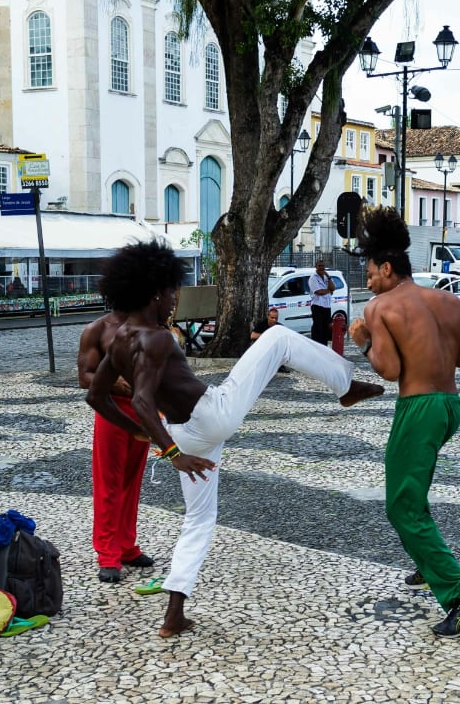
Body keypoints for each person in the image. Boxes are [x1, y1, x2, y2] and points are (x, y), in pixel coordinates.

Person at [85, 240, 383, 638]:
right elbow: (139, 398)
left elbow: (95, 395)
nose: (175, 299)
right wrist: (171, 454)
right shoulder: (156, 338)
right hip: (210, 416)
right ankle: (344, 384)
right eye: (173, 291)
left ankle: (174, 612)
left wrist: (144, 433)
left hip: (187, 433)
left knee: (199, 519)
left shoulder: (121, 338)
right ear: (155, 292)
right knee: (276, 339)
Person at [346, 207, 460, 639]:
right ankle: (427, 565)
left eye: (370, 272)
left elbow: (389, 371)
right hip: (450, 406)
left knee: (401, 505)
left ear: (387, 268)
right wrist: (433, 352)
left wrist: (364, 342)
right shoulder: (449, 301)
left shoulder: (380, 307)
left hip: (419, 408)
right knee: (415, 491)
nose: (368, 280)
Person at [78, 310, 153, 584]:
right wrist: (111, 382)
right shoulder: (96, 329)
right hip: (110, 411)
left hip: (141, 410)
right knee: (108, 482)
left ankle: (126, 545)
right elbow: (84, 376)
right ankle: (108, 554)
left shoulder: (148, 323)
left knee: (132, 482)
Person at [308, 259, 335, 345]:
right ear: (316, 267)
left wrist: (329, 277)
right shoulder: (313, 278)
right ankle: (316, 345)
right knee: (318, 328)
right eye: (319, 266)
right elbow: (318, 292)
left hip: (326, 306)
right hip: (317, 306)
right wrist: (328, 290)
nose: (321, 268)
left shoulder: (326, 277)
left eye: (323, 266)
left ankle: (324, 345)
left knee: (326, 328)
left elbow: (333, 288)